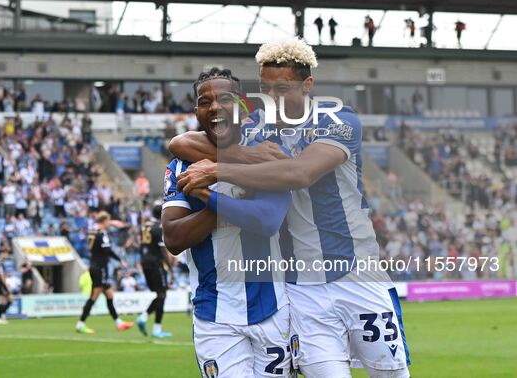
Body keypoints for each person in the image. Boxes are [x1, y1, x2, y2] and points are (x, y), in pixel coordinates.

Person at [170, 39, 411, 378]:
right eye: (266, 88)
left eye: (283, 89)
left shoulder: (339, 121)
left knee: (391, 375)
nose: (273, 98)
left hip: (357, 275)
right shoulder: (256, 127)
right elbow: (181, 142)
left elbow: (301, 172)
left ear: (307, 85)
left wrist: (218, 169)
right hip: (300, 288)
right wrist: (241, 155)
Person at [162, 68, 292, 377]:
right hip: (215, 315)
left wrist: (208, 194)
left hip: (273, 308)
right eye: (205, 101)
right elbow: (174, 238)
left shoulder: (269, 153)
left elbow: (267, 220)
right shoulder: (181, 164)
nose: (215, 107)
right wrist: (222, 202)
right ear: (197, 111)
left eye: (225, 99)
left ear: (243, 107)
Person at [76, 211, 134, 334]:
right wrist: (120, 259)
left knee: (109, 294)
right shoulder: (102, 233)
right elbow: (107, 250)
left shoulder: (92, 231)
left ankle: (119, 323)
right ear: (104, 221)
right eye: (108, 222)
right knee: (94, 295)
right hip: (100, 268)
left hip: (95, 265)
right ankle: (80, 324)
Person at [136, 205, 174, 338]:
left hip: (145, 262)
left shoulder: (144, 226)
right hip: (155, 263)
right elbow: (163, 251)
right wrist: (171, 270)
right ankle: (144, 317)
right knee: (162, 294)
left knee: (160, 294)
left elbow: (141, 245)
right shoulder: (158, 228)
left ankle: (157, 329)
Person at [0, 248, 13, 325]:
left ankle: (2, 315)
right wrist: (5, 285)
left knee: (10, 300)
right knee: (2, 301)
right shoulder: (0, 263)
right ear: (2, 254)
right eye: (5, 253)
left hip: (1, 284)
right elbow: (1, 275)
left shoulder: (0, 263)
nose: (7, 255)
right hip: (1, 285)